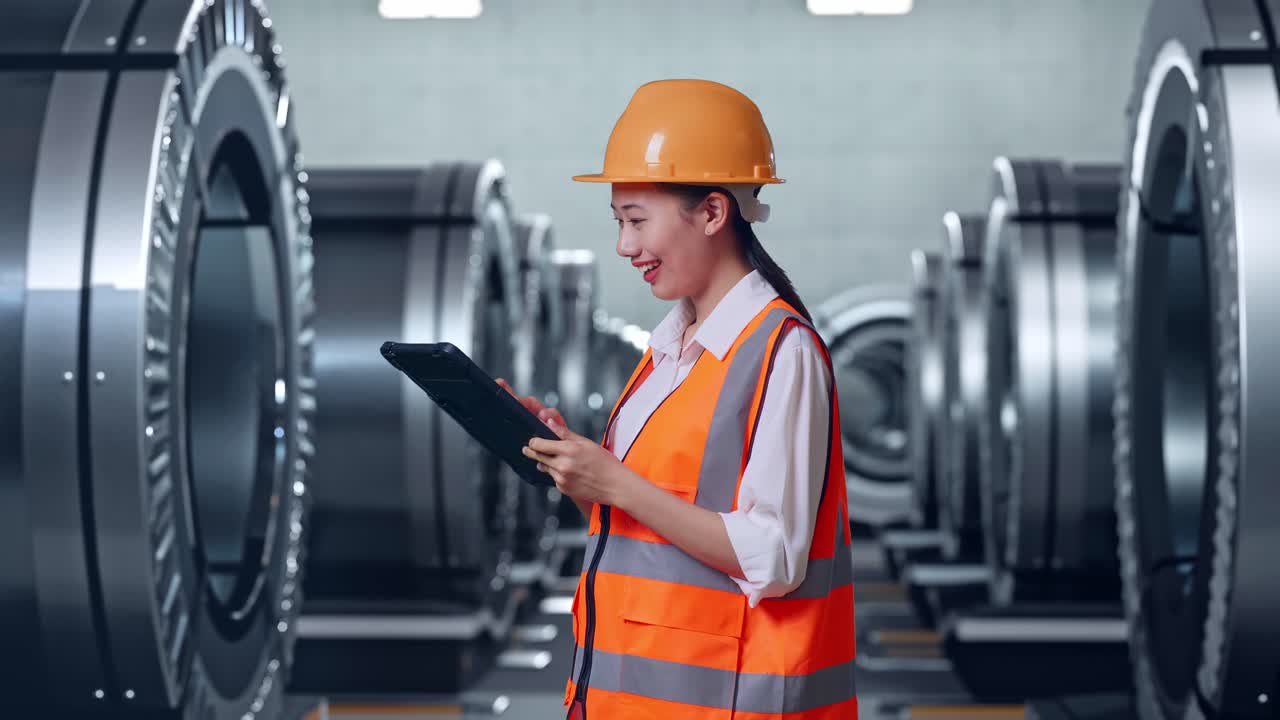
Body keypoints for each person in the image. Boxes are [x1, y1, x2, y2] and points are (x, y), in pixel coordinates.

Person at [501, 79, 857, 719]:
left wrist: (614, 481)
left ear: (714, 213)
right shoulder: (668, 350)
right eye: (618, 222)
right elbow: (640, 521)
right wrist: (572, 463)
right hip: (629, 698)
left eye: (637, 220)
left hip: (727, 700)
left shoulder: (783, 352)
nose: (624, 245)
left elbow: (773, 558)